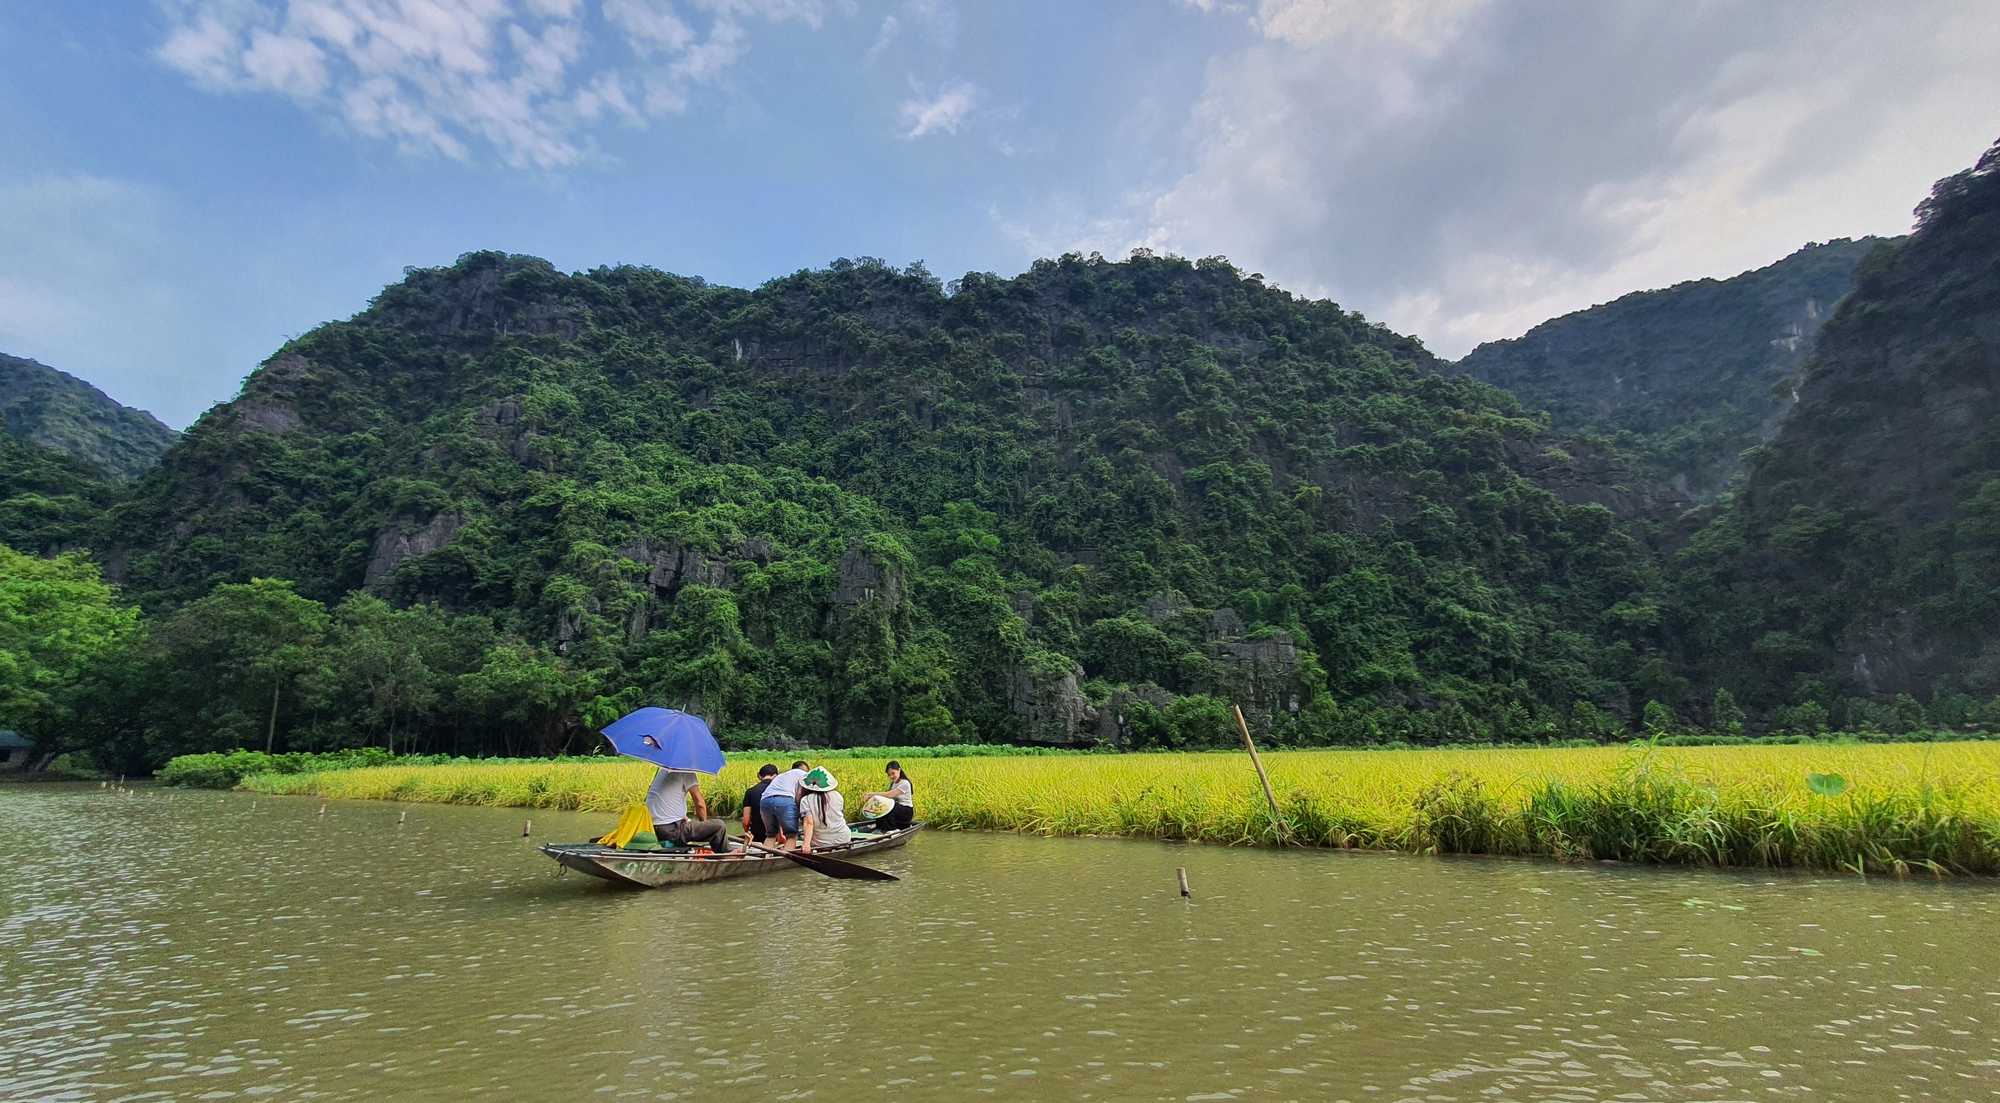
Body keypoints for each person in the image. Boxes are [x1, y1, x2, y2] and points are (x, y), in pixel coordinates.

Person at [646, 765, 734, 853]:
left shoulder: (663, 771)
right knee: (719, 826)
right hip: (672, 829)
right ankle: (725, 855)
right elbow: (700, 804)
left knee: (688, 821)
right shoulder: (685, 771)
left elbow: (668, 807)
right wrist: (705, 826)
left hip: (654, 828)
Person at [797, 766, 851, 852]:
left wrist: (806, 844)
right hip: (843, 838)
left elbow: (809, 823)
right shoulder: (837, 795)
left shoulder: (806, 800)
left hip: (820, 843)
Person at [759, 759, 811, 848]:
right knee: (791, 836)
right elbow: (799, 794)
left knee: (771, 835)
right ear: (805, 770)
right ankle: (787, 859)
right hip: (784, 800)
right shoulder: (804, 775)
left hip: (765, 800)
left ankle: (766, 858)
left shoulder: (783, 775)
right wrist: (799, 813)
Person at [860, 761, 915, 832]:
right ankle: (880, 827)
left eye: (893, 773)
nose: (891, 776)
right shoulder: (894, 783)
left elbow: (889, 794)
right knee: (880, 807)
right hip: (897, 809)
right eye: (889, 775)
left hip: (906, 811)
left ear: (899, 770)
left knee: (887, 809)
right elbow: (888, 798)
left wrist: (870, 794)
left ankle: (890, 830)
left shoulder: (905, 783)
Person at [741, 764, 779, 844]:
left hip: (756, 836)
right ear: (776, 776)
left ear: (759, 776)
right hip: (776, 836)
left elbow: (746, 821)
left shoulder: (750, 792)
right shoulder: (779, 790)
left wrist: (748, 833)